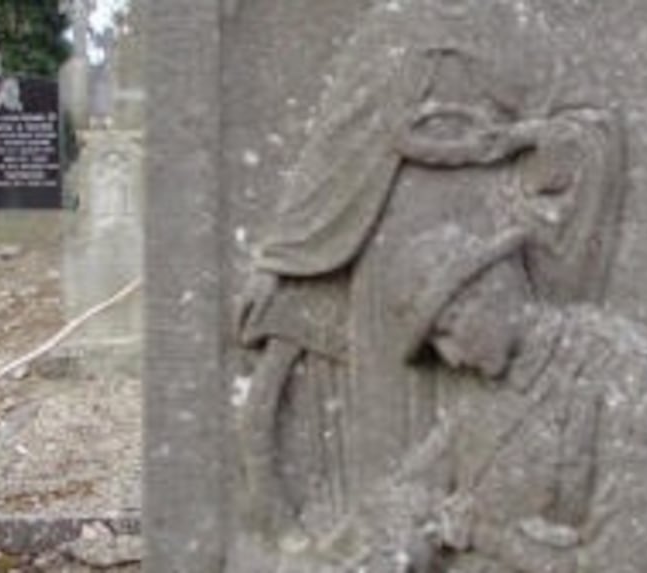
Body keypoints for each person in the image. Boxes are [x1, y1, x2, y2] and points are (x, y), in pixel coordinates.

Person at [234, 0, 625, 548]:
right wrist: (278, 260)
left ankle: (485, 544)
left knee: (484, 394)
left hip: (486, 245)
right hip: (389, 244)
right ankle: (387, 546)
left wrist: (518, 138)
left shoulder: (515, 25)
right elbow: (334, 149)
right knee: (391, 415)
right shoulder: (388, 27)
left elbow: (590, 129)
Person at [300, 224, 647, 573]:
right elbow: (404, 491)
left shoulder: (621, 364)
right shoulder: (478, 392)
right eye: (437, 341)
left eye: (450, 327)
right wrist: (410, 532)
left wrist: (486, 537)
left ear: (496, 285)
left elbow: (626, 564)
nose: (450, 357)